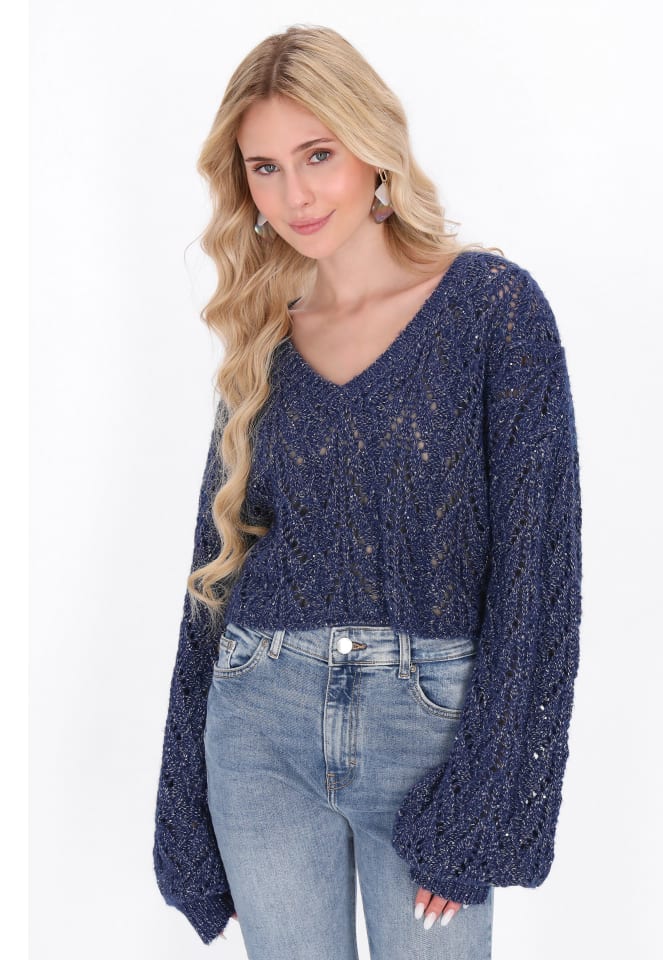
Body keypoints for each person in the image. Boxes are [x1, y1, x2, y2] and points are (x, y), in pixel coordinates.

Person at [152, 23, 583, 960]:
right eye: (265, 168)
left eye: (319, 155)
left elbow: (538, 576)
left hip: (428, 734)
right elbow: (214, 568)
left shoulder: (493, 311)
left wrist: (484, 803)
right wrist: (180, 798)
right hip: (259, 722)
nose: (295, 195)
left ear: (373, 149)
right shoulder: (264, 337)